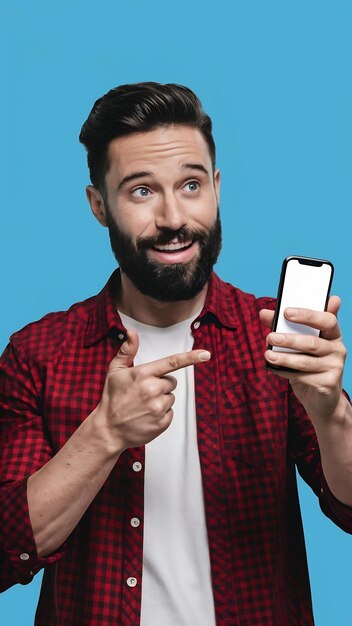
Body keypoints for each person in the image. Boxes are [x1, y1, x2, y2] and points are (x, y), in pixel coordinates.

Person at [0, 82, 351, 626]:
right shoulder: (39, 353)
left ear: (216, 188)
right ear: (99, 206)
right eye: (141, 191)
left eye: (190, 185)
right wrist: (105, 435)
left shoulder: (275, 340)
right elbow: (7, 548)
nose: (172, 218)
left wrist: (332, 415)